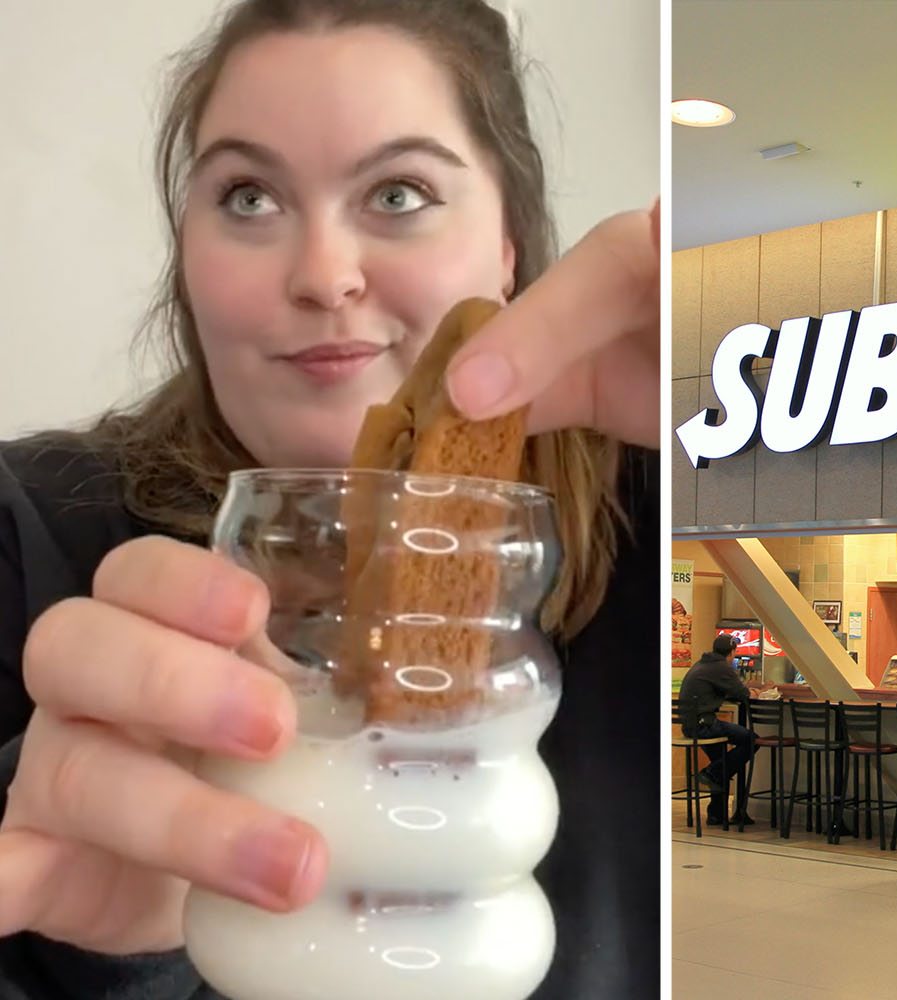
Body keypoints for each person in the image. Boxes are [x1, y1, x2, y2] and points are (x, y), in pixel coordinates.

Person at [0, 1, 662, 997]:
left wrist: (762, 410)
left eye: (398, 192)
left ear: (508, 247)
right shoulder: (28, 534)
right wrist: (89, 953)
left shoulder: (661, 513)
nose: (321, 276)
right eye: (249, 198)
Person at [678, 635, 758, 827]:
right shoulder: (722, 667)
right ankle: (712, 773)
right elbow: (744, 694)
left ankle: (717, 814)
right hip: (704, 725)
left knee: (721, 759)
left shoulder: (702, 664)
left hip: (691, 726)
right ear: (732, 653)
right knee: (752, 740)